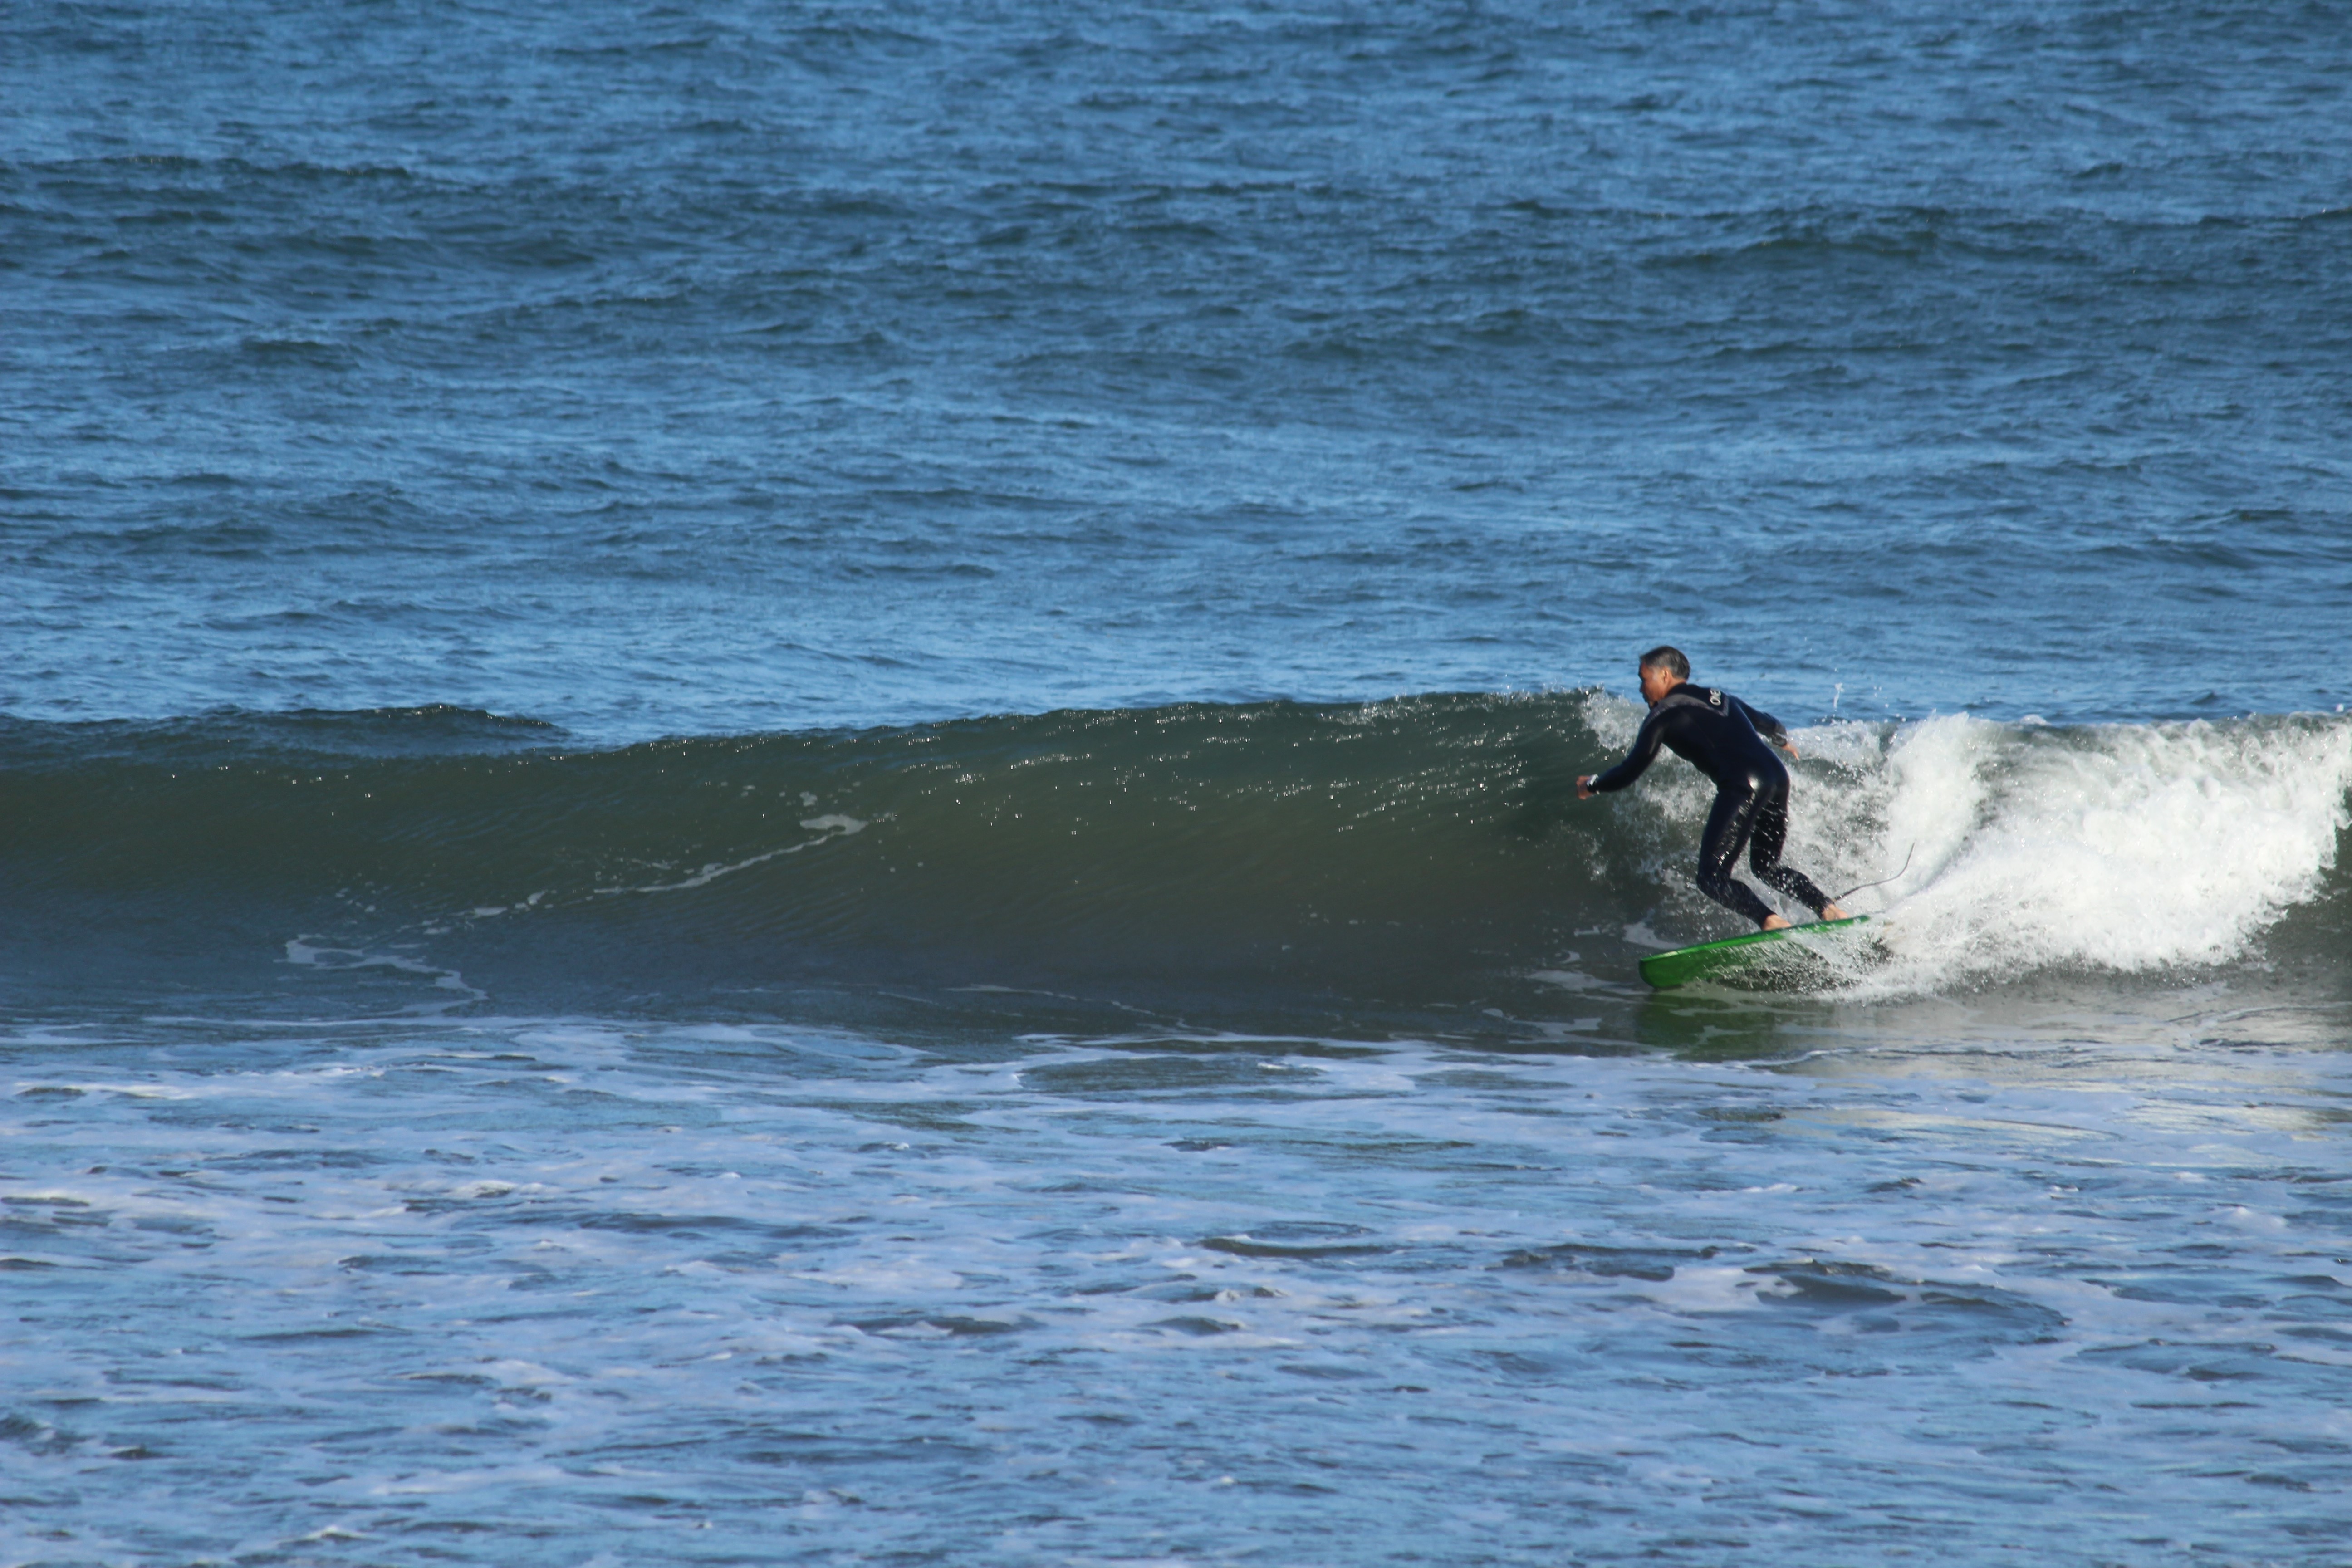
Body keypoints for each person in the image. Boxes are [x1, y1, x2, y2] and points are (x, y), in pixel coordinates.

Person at [1577, 646, 1848, 931]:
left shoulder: (1663, 715)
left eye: (1644, 679)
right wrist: (1782, 741)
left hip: (1743, 783)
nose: (1641, 688)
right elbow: (1769, 723)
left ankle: (1771, 922)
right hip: (1776, 776)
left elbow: (1630, 770)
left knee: (1711, 877)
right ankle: (1828, 909)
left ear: (1665, 676)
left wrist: (1592, 785)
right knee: (1768, 867)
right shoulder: (1721, 698)